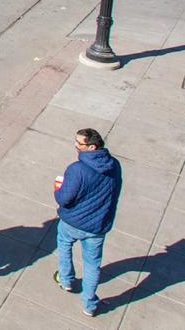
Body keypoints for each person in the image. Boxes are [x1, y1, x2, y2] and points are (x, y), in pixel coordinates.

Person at [54, 128, 122, 317]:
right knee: (92, 264)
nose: (75, 145)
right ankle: (89, 304)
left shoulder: (77, 169)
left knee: (64, 245)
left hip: (73, 221)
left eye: (79, 143)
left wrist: (57, 188)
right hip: (98, 225)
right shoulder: (115, 166)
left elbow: (64, 199)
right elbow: (114, 193)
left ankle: (66, 280)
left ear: (91, 147)